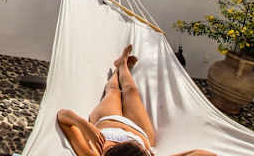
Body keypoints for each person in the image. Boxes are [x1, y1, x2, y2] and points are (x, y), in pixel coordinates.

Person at [56, 45, 216, 156]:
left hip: (109, 120)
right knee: (131, 91)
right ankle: (122, 65)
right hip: (140, 131)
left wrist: (84, 125)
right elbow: (207, 154)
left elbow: (63, 116)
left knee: (114, 91)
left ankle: (119, 68)